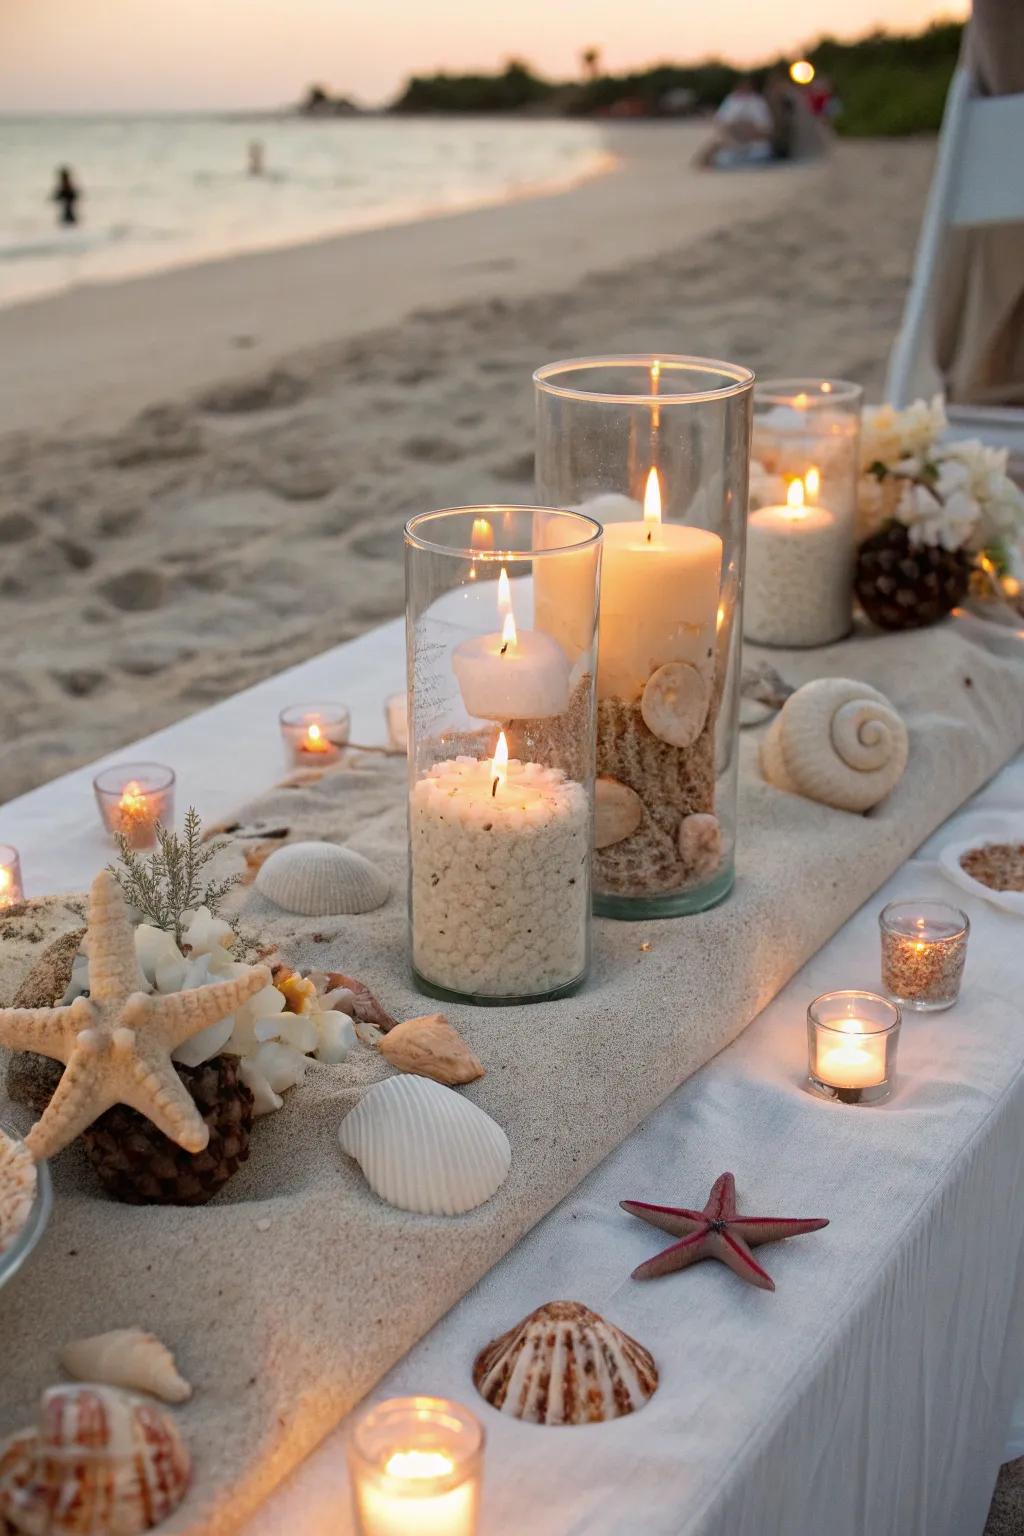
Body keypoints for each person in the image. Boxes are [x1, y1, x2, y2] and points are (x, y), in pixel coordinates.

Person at [695, 78, 774, 168]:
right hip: (733, 145)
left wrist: (747, 133)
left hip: (754, 146)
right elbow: (722, 125)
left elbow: (765, 130)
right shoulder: (732, 100)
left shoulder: (758, 102)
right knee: (722, 157)